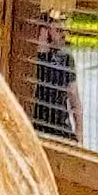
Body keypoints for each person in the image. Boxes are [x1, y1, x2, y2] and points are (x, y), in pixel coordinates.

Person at [31, 9, 82, 143]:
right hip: (36, 130)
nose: (64, 35)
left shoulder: (66, 59)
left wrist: (79, 134)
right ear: (44, 32)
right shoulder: (34, 60)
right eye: (58, 31)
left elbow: (74, 99)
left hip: (60, 130)